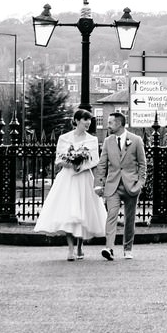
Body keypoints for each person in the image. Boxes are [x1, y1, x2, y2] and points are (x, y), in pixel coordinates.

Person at [33, 108, 107, 260]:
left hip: (84, 177)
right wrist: (71, 163)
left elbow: (95, 161)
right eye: (85, 119)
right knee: (68, 213)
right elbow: (59, 159)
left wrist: (80, 165)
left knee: (83, 212)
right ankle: (70, 249)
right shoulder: (64, 138)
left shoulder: (92, 140)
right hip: (68, 178)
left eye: (90, 120)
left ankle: (80, 245)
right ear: (77, 120)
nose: (88, 123)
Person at [95, 110, 146, 260]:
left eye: (110, 122)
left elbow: (143, 165)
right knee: (111, 215)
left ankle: (127, 249)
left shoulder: (136, 140)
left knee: (129, 219)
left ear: (119, 124)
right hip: (113, 186)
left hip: (131, 185)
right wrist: (99, 184)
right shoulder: (107, 141)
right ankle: (109, 248)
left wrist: (140, 183)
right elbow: (102, 164)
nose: (107, 125)